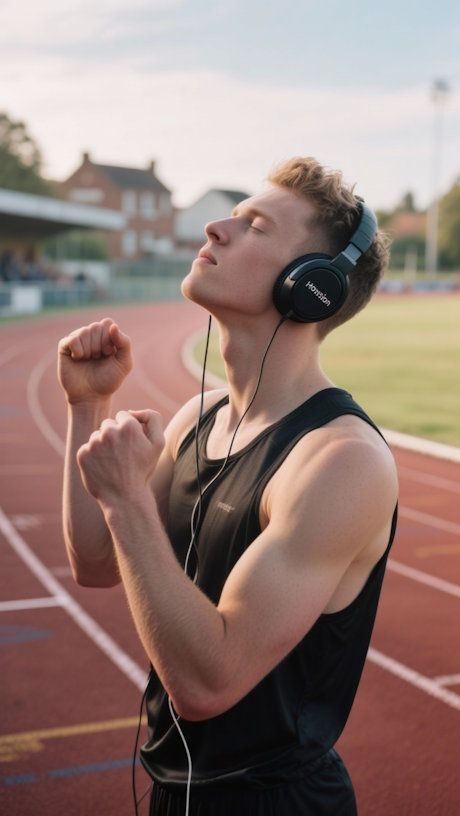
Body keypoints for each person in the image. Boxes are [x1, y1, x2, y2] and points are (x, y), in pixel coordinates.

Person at [58, 156, 398, 816]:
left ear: (312, 286)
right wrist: (85, 409)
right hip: (175, 791)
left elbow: (208, 683)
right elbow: (96, 562)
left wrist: (128, 498)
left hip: (275, 803)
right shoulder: (199, 418)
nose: (215, 229)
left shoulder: (340, 460)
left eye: (254, 225)